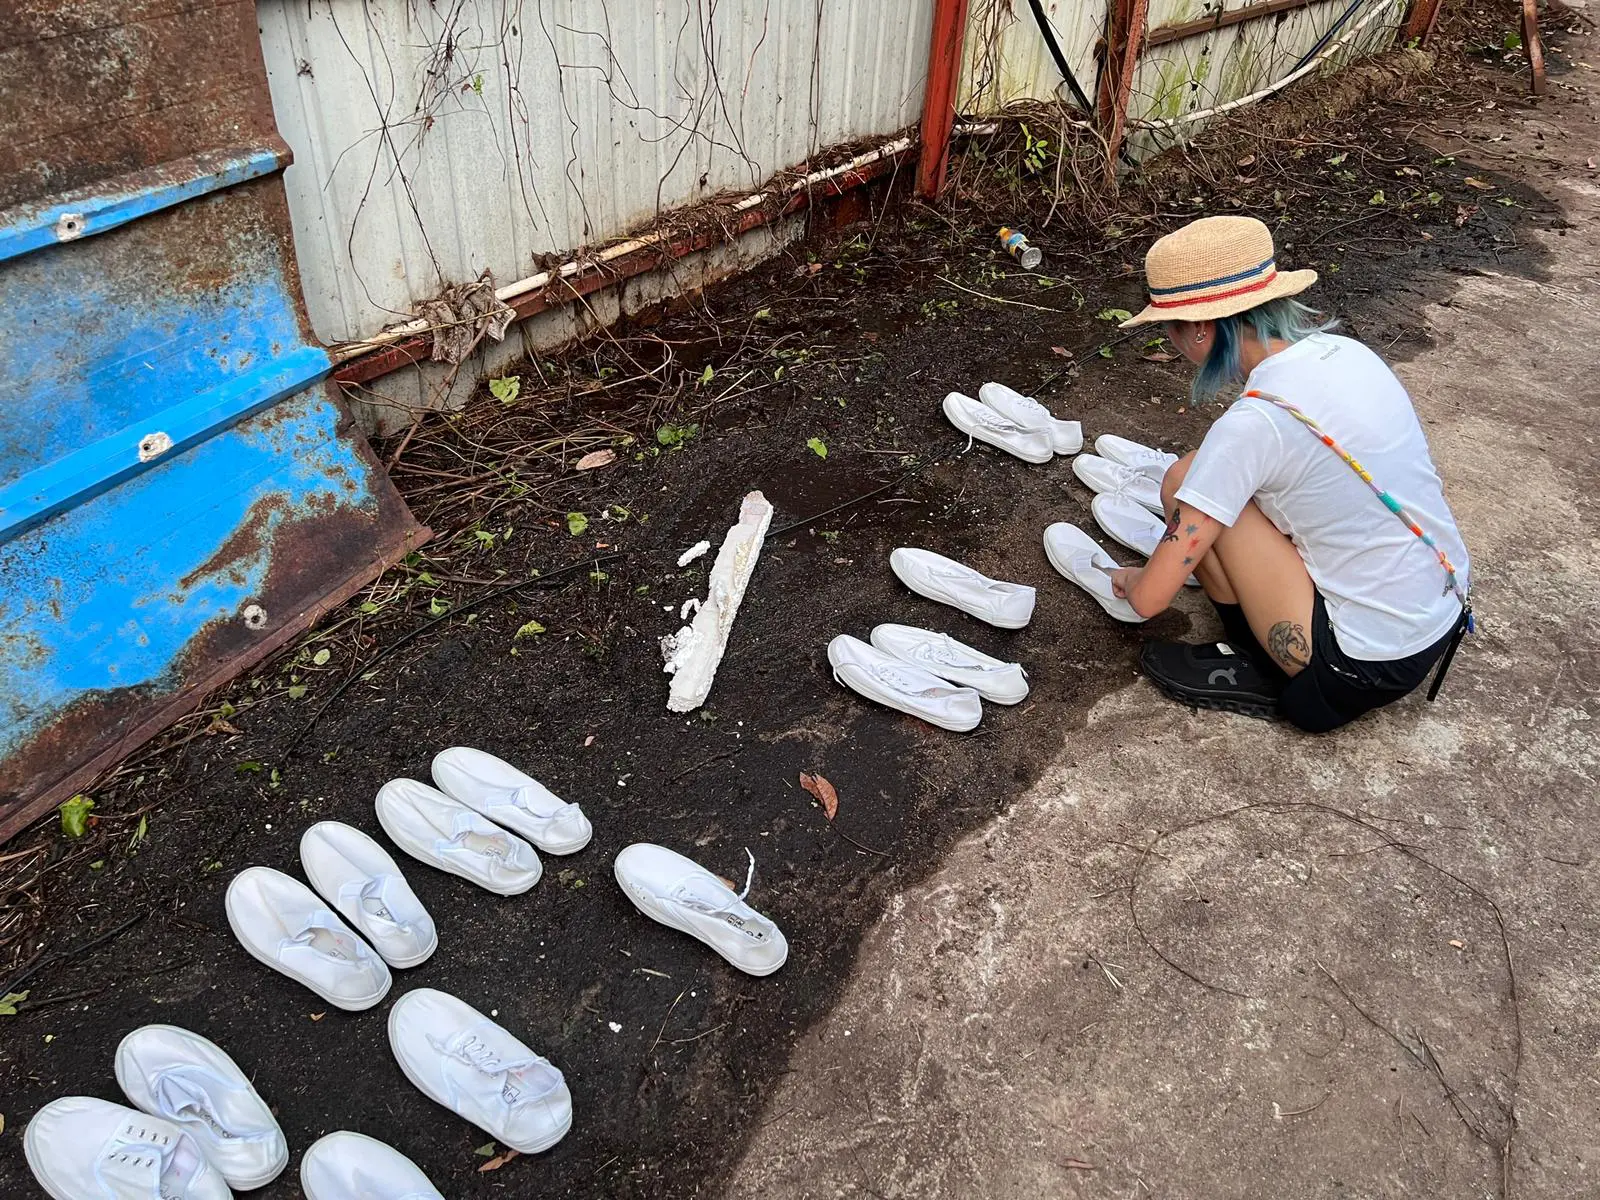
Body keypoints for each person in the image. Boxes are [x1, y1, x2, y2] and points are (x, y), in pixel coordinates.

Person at [1106, 215, 1472, 733]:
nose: (1169, 340)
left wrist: (1131, 578)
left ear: (1200, 327)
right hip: (1435, 615)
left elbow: (1149, 601)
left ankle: (1262, 659)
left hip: (1355, 669)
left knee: (1187, 483)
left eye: (1168, 326)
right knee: (1197, 473)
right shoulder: (1348, 353)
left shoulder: (1255, 422)